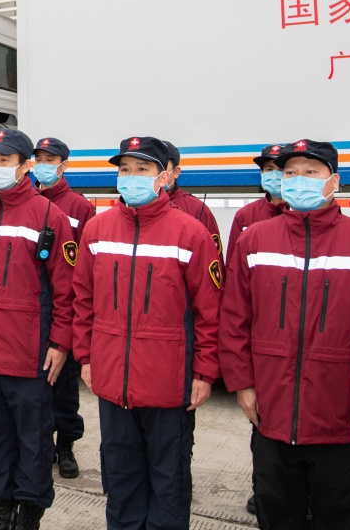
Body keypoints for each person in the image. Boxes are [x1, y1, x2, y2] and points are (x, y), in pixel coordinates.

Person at [220, 139, 350, 530]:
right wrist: (242, 384)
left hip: (341, 423)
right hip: (271, 418)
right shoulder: (254, 240)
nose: (298, 180)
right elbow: (234, 320)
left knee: (338, 516)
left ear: (334, 181)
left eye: (311, 172)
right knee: (276, 514)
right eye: (290, 172)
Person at [72, 136, 222, 529]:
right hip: (112, 382)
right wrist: (85, 357)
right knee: (120, 476)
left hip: (169, 385)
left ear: (163, 177)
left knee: (168, 480)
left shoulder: (190, 233)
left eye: (142, 170)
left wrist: (204, 373)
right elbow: (82, 299)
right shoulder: (97, 229)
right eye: (125, 169)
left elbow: (210, 312)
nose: (132, 177)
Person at [0, 128, 75, 530]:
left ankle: (29, 513)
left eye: (5, 160)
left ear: (25, 166)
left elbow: (67, 289)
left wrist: (60, 342)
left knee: (34, 442)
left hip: (29, 356)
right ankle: (1, 509)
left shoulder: (49, 217)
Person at [225, 143, 291, 516]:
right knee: (262, 421)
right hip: (262, 335)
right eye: (267, 168)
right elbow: (236, 276)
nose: (273, 175)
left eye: (279, 168)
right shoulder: (248, 217)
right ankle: (262, 487)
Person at [32, 136, 93, 479]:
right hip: (33, 313)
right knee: (39, 388)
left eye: (49, 158)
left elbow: (80, 267)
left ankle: (66, 445)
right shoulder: (30, 202)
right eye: (38, 157)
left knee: (65, 387)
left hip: (63, 309)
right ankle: (42, 443)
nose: (42, 163)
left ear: (63, 165)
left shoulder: (79, 207)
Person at [227, 144, 290, 265]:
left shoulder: (302, 213)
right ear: (262, 173)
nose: (274, 175)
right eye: (269, 169)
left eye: (281, 170)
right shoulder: (245, 215)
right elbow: (233, 266)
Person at [162, 142, 222, 258]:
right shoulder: (133, 208)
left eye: (162, 167)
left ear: (176, 172)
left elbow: (213, 260)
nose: (156, 173)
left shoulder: (198, 210)